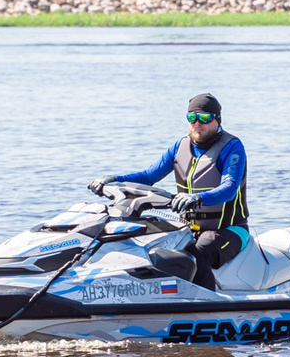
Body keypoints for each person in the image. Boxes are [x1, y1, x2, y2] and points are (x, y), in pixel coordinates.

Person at [93, 93, 248, 288]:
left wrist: (197, 197)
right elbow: (148, 176)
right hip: (189, 229)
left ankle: (207, 307)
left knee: (195, 254)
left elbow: (230, 188)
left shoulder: (232, 147)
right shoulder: (179, 147)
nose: (197, 123)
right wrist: (113, 179)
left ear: (217, 120)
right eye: (192, 118)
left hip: (229, 230)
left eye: (204, 118)